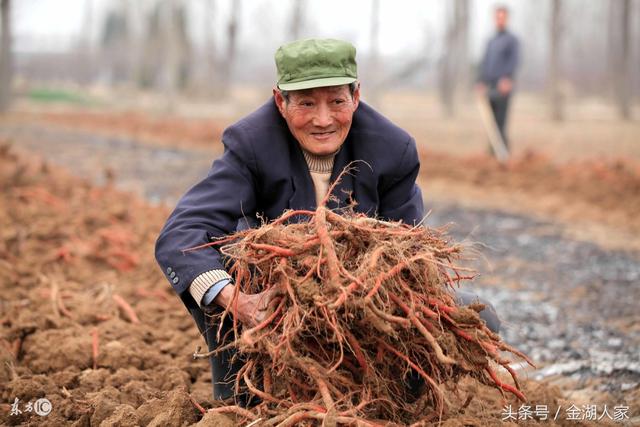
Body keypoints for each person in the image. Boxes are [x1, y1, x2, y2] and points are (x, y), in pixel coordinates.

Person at [155, 38, 500, 403]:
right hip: (276, 302)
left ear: (356, 96)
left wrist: (367, 296)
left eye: (337, 101)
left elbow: (410, 256)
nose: (323, 120)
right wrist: (237, 300)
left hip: (364, 305)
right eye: (306, 103)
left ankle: (397, 403)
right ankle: (243, 403)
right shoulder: (252, 143)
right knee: (226, 270)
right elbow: (182, 233)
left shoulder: (392, 149)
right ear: (280, 102)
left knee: (475, 314)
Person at [477, 6, 520, 152]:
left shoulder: (512, 40)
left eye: (502, 17)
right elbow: (485, 62)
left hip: (503, 87)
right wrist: (481, 81)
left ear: (507, 19)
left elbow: (514, 61)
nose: (500, 20)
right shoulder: (491, 41)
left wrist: (507, 79)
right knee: (491, 123)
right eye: (497, 17)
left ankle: (503, 155)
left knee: (501, 123)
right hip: (490, 86)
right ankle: (492, 153)